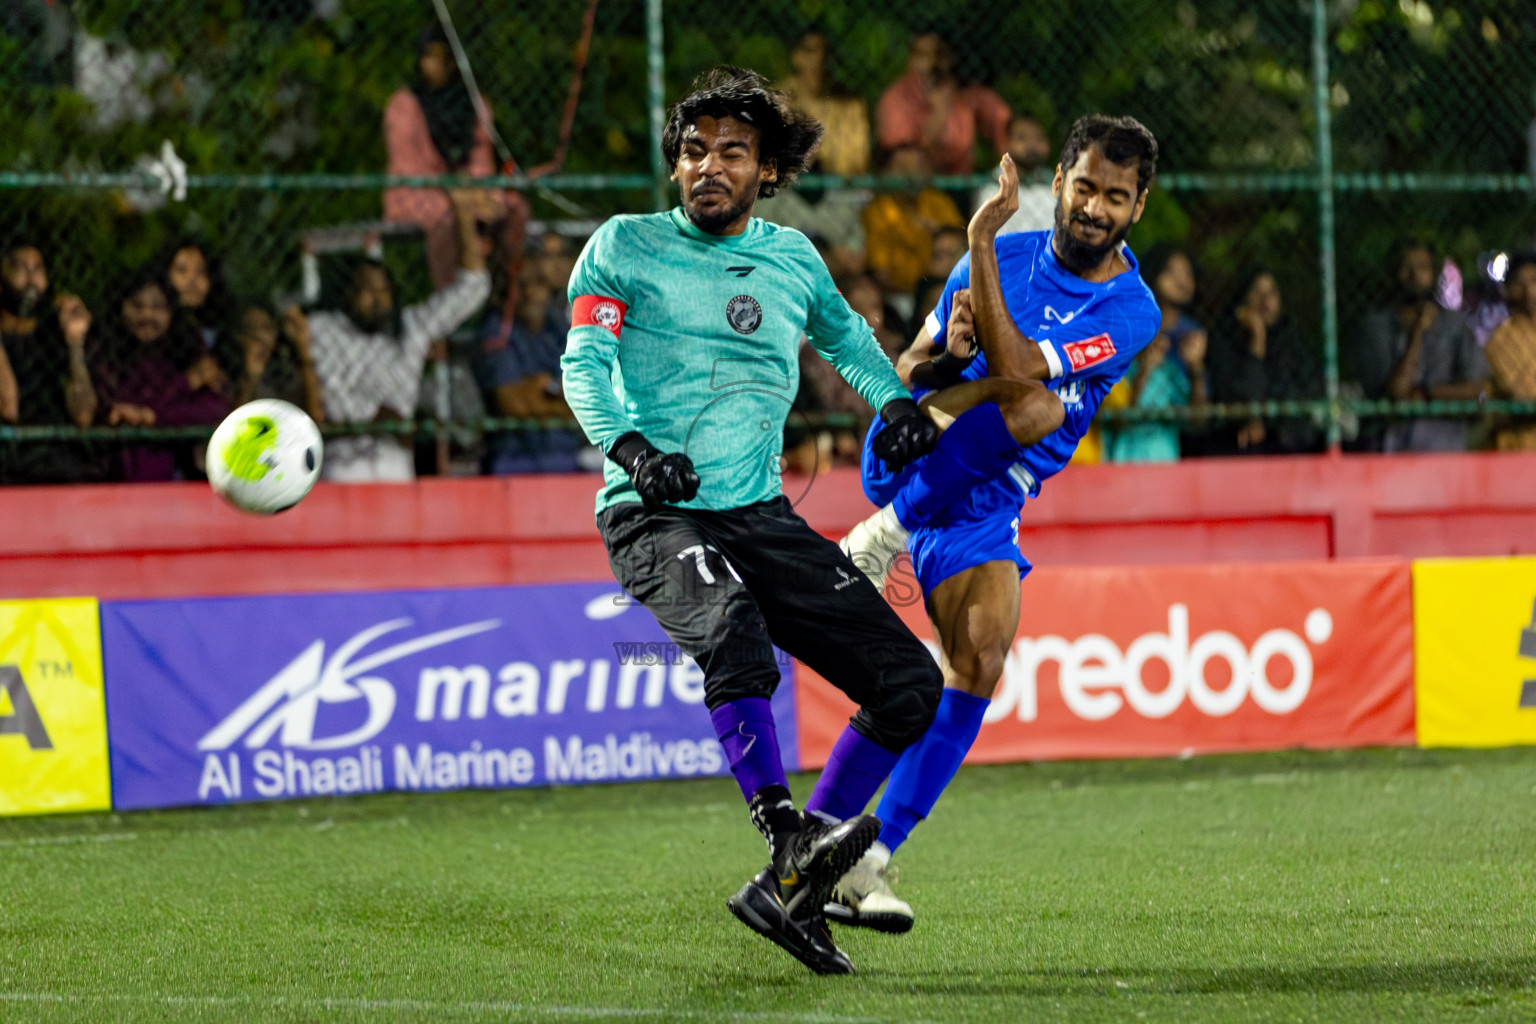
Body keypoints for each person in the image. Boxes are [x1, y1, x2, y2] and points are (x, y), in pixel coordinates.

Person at [559, 66, 944, 975]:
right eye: (694, 151)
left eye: (732, 152)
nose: (708, 167)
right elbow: (583, 362)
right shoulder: (622, 246)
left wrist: (893, 401)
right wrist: (632, 449)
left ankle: (796, 883)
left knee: (908, 684)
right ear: (674, 168)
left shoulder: (793, 259)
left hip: (758, 515)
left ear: (766, 171)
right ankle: (784, 838)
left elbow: (847, 338)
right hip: (652, 511)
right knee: (734, 633)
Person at [837, 116, 1162, 930]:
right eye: (1084, 187)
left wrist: (982, 240)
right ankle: (880, 536)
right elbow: (911, 369)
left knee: (981, 655)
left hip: (985, 500)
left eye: (1114, 197)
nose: (1094, 208)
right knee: (1041, 404)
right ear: (1059, 181)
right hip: (918, 453)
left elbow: (1017, 373)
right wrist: (943, 353)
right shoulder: (1005, 253)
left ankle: (862, 862)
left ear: (1138, 208)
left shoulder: (1131, 309)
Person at [308, 187, 490, 482]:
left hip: (395, 460)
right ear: (347, 295)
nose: (377, 298)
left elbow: (473, 288)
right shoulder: (323, 328)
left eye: (383, 290)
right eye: (366, 290)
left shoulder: (409, 327)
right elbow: (334, 407)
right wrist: (374, 419)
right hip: (340, 459)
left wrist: (462, 214)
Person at [384, 24, 527, 291]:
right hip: (419, 194)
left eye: (445, 57)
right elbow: (407, 168)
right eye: (430, 56)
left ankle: (509, 290)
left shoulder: (474, 104)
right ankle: (451, 300)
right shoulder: (403, 105)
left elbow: (482, 163)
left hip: (470, 192)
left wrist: (483, 195)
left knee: (513, 206)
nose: (436, 65)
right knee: (451, 216)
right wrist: (455, 192)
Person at [93, 267, 231, 481]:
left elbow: (212, 409)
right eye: (137, 306)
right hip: (118, 477)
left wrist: (152, 416)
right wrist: (185, 385)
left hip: (180, 478)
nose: (147, 315)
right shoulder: (106, 356)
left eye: (158, 307)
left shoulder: (189, 351)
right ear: (121, 308)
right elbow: (117, 410)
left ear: (171, 312)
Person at [1357, 240, 1489, 452]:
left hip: (1443, 446)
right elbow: (1397, 392)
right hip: (1390, 448)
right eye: (1406, 267)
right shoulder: (1376, 325)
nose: (1414, 275)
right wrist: (1417, 332)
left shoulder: (1453, 325)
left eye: (1422, 267)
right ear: (1394, 273)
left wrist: (1427, 395)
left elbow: (1475, 387)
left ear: (1434, 273)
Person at [0, 242, 109, 483]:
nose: (30, 276)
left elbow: (83, 415)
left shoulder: (53, 336)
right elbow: (9, 408)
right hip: (9, 460)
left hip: (60, 459)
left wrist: (75, 343)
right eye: (19, 267)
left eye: (38, 268)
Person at [1104, 244, 1208, 462]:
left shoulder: (1192, 337)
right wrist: (1145, 369)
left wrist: (1195, 367)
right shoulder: (1127, 332)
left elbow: (1198, 419)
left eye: (1187, 273)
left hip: (1165, 454)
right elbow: (1117, 418)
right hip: (1124, 454)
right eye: (1171, 271)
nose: (1181, 279)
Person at [1205, 266, 1323, 455]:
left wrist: (1266, 419)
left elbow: (1312, 391)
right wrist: (1257, 340)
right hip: (1240, 443)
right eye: (1256, 292)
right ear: (1241, 301)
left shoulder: (1292, 340)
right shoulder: (1224, 342)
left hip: (1291, 439)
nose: (1265, 300)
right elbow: (1242, 398)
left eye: (1271, 292)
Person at [479, 264, 583, 473]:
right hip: (513, 457)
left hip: (564, 454)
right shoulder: (497, 330)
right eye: (521, 285)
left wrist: (536, 393)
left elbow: (587, 399)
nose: (530, 292)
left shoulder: (560, 330)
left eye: (539, 283)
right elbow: (513, 404)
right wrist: (562, 402)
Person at [876, 33, 1011, 175]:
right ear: (911, 59)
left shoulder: (966, 95)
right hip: (916, 185)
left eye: (939, 55)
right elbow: (903, 157)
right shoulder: (896, 97)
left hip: (961, 182)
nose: (932, 63)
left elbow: (1004, 122)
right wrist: (938, 116)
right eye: (923, 55)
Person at [861, 146, 964, 300]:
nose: (910, 173)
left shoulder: (939, 202)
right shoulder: (877, 211)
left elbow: (964, 244)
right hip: (898, 296)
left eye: (917, 166)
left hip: (948, 289)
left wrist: (940, 231)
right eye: (902, 167)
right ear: (886, 172)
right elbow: (880, 272)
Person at [776, 29, 870, 178]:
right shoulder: (779, 100)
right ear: (796, 56)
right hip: (791, 190)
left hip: (838, 187)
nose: (818, 58)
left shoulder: (849, 103)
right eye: (810, 51)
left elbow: (859, 162)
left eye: (823, 51)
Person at [232, 304, 326, 424]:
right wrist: (251, 378)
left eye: (266, 328)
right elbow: (233, 426)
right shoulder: (233, 372)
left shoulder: (291, 367)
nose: (260, 337)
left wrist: (303, 351)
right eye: (251, 329)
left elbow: (316, 416)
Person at [1484, 252, 1536, 451]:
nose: (1529, 290)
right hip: (1518, 448)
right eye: (1520, 283)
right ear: (1509, 290)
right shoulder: (1501, 340)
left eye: (1534, 280)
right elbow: (1520, 398)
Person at [974, 114, 1056, 236]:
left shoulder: (1054, 185)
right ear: (1006, 143)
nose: (1031, 145)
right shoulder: (992, 188)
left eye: (1038, 138)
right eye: (1022, 138)